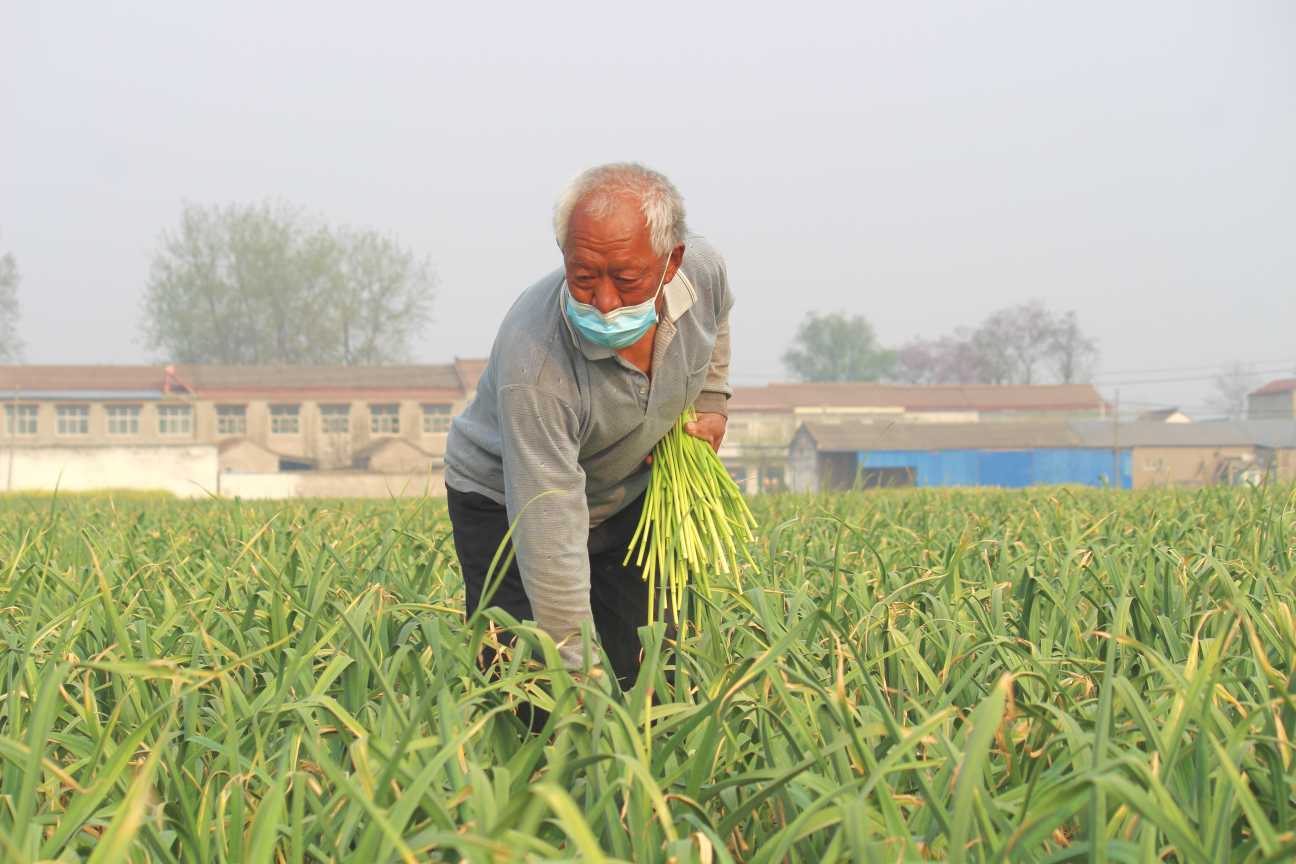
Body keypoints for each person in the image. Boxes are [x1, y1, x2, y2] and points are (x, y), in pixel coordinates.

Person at [444, 162, 732, 688]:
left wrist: (711, 399)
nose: (603, 303)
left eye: (625, 279)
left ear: (670, 263)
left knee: (647, 668)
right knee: (530, 682)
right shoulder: (536, 366)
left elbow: (719, 314)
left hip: (626, 491)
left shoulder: (702, 271)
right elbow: (548, 523)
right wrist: (575, 672)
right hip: (507, 502)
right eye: (583, 278)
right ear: (564, 256)